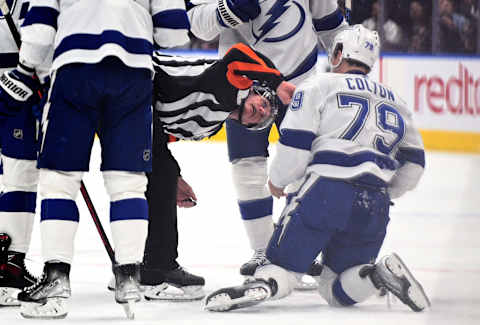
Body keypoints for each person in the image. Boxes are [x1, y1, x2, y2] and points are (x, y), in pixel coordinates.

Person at [204, 24, 431, 313]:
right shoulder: (397, 102)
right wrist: (387, 191)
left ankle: (264, 284)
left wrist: (277, 180)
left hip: (326, 191)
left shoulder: (317, 85)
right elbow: (415, 164)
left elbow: (296, 146)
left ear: (338, 52)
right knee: (336, 290)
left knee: (282, 267)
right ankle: (376, 276)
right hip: (375, 203)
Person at [0, 0, 191, 319]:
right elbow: (174, 32)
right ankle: (130, 276)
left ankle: (56, 278)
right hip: (135, 73)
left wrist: (26, 69)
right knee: (128, 183)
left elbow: (40, 29)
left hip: (75, 70)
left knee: (59, 182)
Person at [186, 0, 349, 288]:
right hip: (241, 82)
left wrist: (350, 68)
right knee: (247, 165)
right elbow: (195, 21)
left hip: (302, 85)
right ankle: (263, 250)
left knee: (308, 168)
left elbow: (331, 25)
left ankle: (298, 249)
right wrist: (226, 10)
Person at [0, 0, 43, 307]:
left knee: (21, 176)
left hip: (21, 91)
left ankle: (10, 265)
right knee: (18, 177)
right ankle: (7, 268)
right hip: (16, 88)